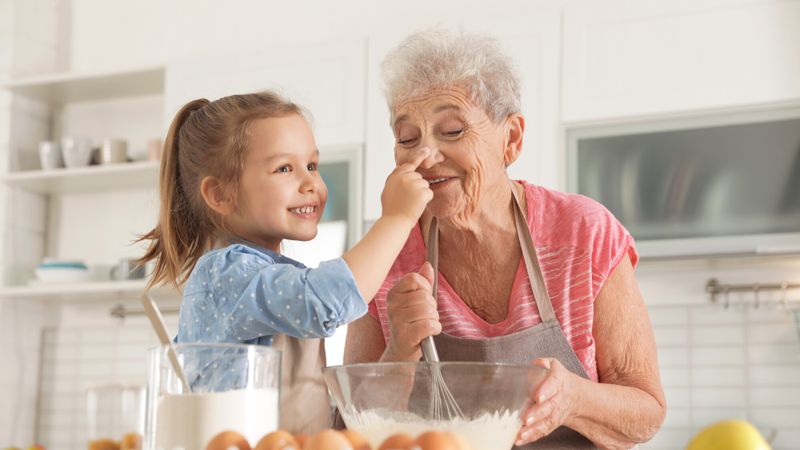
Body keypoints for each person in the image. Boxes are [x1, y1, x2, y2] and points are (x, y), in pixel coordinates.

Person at [344, 30, 666, 449]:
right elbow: (349, 428)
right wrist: (400, 352)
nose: (424, 156)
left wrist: (573, 399)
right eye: (407, 138)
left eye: (453, 130)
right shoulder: (384, 257)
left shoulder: (584, 234)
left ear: (511, 139)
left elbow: (646, 411)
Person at [138, 91, 432, 433]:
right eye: (284, 168)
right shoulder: (224, 273)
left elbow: (335, 417)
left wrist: (400, 348)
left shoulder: (277, 278)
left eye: (312, 165)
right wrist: (396, 218)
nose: (311, 183)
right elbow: (325, 303)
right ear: (220, 195)